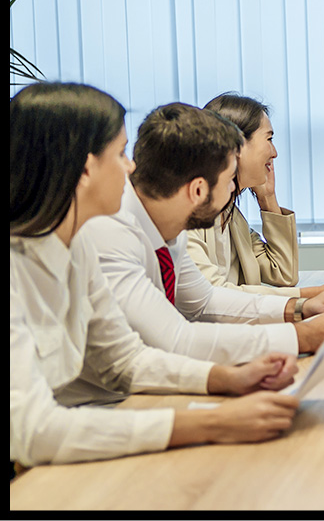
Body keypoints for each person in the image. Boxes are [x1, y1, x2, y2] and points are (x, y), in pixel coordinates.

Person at [11, 82, 301, 472]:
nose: (132, 167)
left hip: (78, 439)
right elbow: (35, 430)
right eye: (120, 154)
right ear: (83, 169)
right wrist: (210, 422)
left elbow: (125, 359)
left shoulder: (75, 245)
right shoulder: (59, 251)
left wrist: (224, 379)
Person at [76, 103, 324, 404]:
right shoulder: (109, 233)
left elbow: (205, 302)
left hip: (146, 389)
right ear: (198, 190)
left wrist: (299, 310)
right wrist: (302, 336)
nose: (232, 192)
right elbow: (177, 338)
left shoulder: (163, 224)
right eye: (229, 181)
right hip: (99, 406)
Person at [186, 92, 324, 297]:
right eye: (269, 139)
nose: (274, 152)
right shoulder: (189, 215)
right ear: (236, 145)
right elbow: (212, 295)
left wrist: (267, 198)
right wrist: (311, 294)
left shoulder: (231, 216)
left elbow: (283, 273)